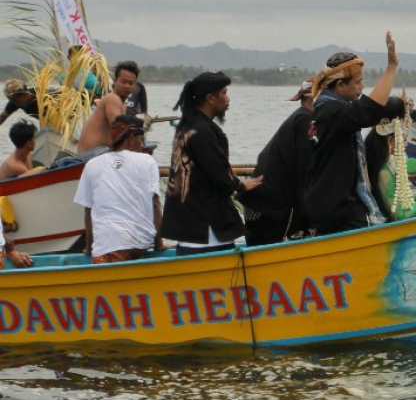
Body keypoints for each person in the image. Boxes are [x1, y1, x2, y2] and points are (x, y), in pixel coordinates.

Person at [304, 32, 399, 236]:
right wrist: (391, 68)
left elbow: (364, 111)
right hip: (337, 208)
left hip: (326, 203)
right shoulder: (332, 112)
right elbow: (367, 112)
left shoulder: (327, 110)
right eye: (358, 82)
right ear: (340, 85)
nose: (362, 87)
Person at [161, 71, 262, 255]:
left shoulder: (186, 127)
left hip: (188, 224)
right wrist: (241, 186)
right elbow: (219, 176)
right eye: (223, 93)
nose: (227, 99)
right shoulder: (202, 131)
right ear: (210, 98)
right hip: (206, 229)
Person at [73, 114, 162, 263]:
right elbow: (155, 204)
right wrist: (159, 243)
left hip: (106, 248)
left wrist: (89, 248)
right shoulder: (148, 161)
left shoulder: (92, 164)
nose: (142, 145)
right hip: (140, 244)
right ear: (131, 138)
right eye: (141, 140)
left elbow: (88, 212)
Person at [237, 79, 316, 246]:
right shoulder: (306, 121)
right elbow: (305, 171)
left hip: (260, 204)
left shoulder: (299, 117)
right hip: (269, 208)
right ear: (312, 99)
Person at [366, 108, 416, 221]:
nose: (406, 144)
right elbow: (400, 216)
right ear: (390, 141)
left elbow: (400, 204)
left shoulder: (389, 163)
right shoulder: (383, 172)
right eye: (403, 139)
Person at [77, 61, 140, 153]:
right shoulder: (112, 98)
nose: (127, 86)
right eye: (123, 82)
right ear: (115, 81)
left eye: (131, 83)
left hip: (100, 151)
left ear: (135, 85)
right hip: (92, 153)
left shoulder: (122, 104)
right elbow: (119, 131)